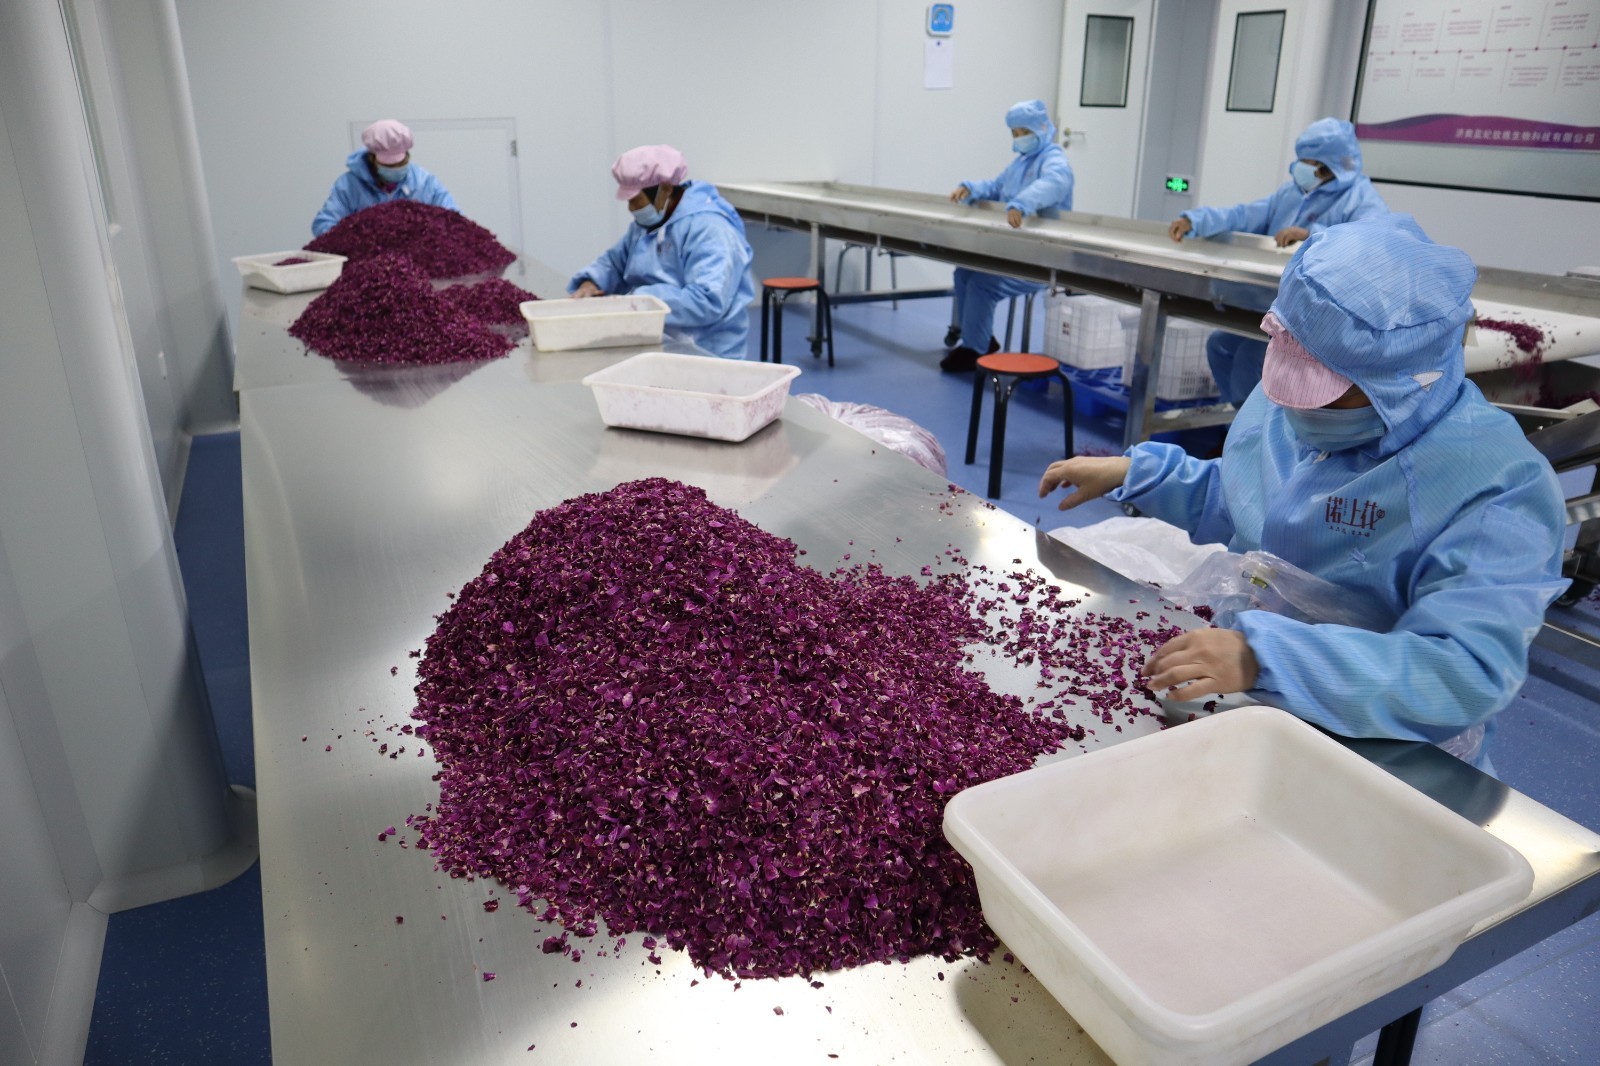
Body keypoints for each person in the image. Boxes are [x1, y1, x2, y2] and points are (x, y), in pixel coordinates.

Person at [1039, 215, 1566, 772]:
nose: (1299, 408)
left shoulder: (1495, 488)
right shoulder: (1298, 409)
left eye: (1329, 392)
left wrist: (1268, 657)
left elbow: (1463, 671)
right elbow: (1250, 501)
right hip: (1248, 693)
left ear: (1408, 378)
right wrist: (1141, 472)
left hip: (1383, 751)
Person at [1167, 117, 1389, 404]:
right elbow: (1244, 215)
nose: (1300, 167)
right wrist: (1195, 220)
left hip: (1317, 318)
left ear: (1328, 165)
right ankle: (1235, 420)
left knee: (1250, 358)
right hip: (1277, 308)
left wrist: (1312, 235)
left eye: (1308, 161)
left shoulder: (1360, 199)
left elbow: (1373, 243)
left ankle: (1255, 428)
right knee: (1219, 346)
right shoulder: (1293, 193)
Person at [570, 145, 756, 359]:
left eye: (635, 200)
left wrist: (642, 301)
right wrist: (591, 282)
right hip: (658, 343)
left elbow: (707, 301)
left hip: (705, 353)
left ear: (665, 189)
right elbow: (615, 263)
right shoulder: (648, 225)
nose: (631, 208)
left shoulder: (711, 230)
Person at [941, 99, 1075, 373]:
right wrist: (971, 188)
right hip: (1015, 251)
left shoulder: (1054, 159)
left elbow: (1054, 184)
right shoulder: (1020, 163)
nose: (1019, 138)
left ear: (1041, 128)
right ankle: (980, 338)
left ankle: (974, 350)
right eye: (1015, 133)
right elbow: (997, 187)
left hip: (1041, 258)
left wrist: (1022, 204)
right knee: (964, 273)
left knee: (982, 284)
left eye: (1024, 132)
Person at [311, 120, 458, 236]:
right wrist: (358, 239)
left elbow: (454, 219)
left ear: (407, 155)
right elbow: (323, 224)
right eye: (388, 165)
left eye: (401, 163)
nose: (395, 168)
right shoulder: (349, 186)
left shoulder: (424, 183)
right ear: (372, 158)